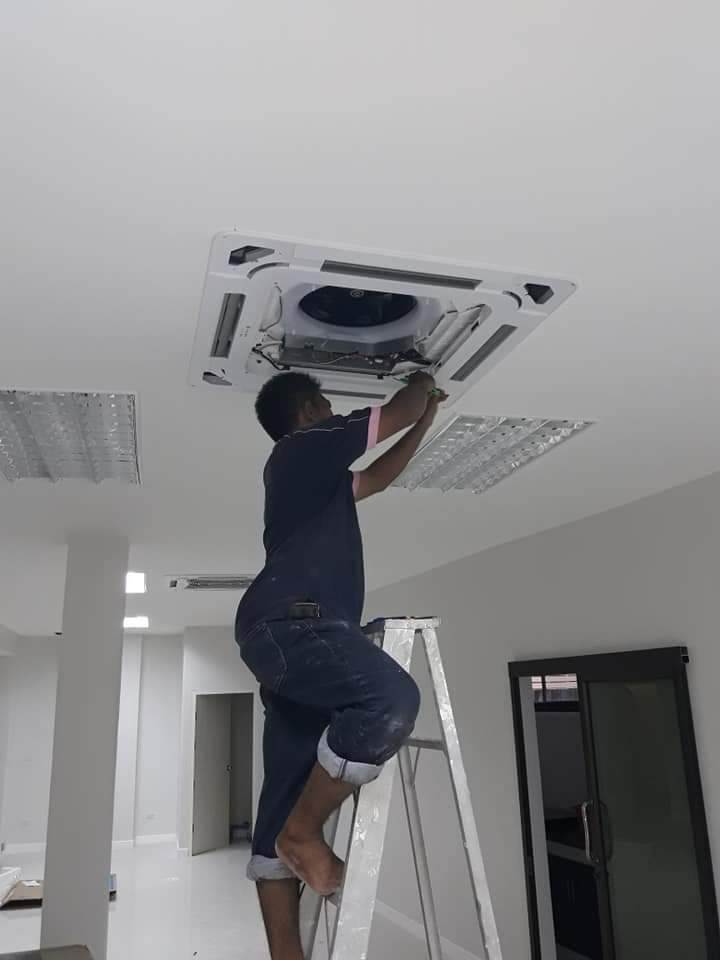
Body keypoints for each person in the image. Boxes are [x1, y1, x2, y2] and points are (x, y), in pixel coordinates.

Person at [234, 369, 446, 960]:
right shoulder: (303, 447)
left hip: (286, 638)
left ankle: (288, 917)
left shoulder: (314, 482)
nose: (333, 415)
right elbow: (395, 411)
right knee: (390, 701)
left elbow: (376, 477)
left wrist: (426, 418)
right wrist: (421, 383)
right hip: (296, 626)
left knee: (282, 794)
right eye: (327, 407)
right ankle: (304, 835)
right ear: (308, 411)